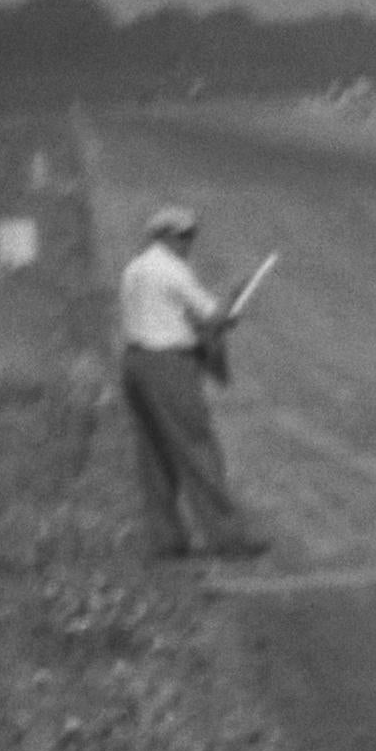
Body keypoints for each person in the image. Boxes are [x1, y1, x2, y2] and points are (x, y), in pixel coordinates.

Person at [116, 206, 267, 561]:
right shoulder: (171, 270)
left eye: (191, 235)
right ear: (164, 235)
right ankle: (228, 539)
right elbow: (214, 317)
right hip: (168, 363)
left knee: (154, 453)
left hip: (135, 362)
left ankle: (166, 540)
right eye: (184, 236)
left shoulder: (135, 268)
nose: (189, 243)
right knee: (198, 448)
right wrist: (234, 299)